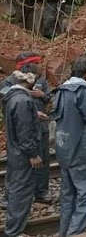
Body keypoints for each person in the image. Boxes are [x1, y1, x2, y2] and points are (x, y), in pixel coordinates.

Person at [52, 57, 86, 236]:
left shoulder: (61, 90)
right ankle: (74, 232)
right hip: (81, 150)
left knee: (68, 194)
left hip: (63, 148)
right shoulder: (82, 91)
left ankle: (64, 231)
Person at [0, 51, 54, 206]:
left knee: (42, 159)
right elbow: (5, 99)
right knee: (17, 164)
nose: (38, 67)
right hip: (19, 128)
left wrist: (42, 94)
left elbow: (48, 98)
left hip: (40, 127)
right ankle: (10, 197)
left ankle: (41, 192)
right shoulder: (9, 82)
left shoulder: (40, 80)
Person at [2, 64, 43, 237]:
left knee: (14, 186)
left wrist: (33, 114)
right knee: (22, 190)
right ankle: (14, 231)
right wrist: (33, 154)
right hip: (23, 154)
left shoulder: (12, 97)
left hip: (14, 151)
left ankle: (13, 224)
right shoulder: (23, 101)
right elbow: (25, 132)